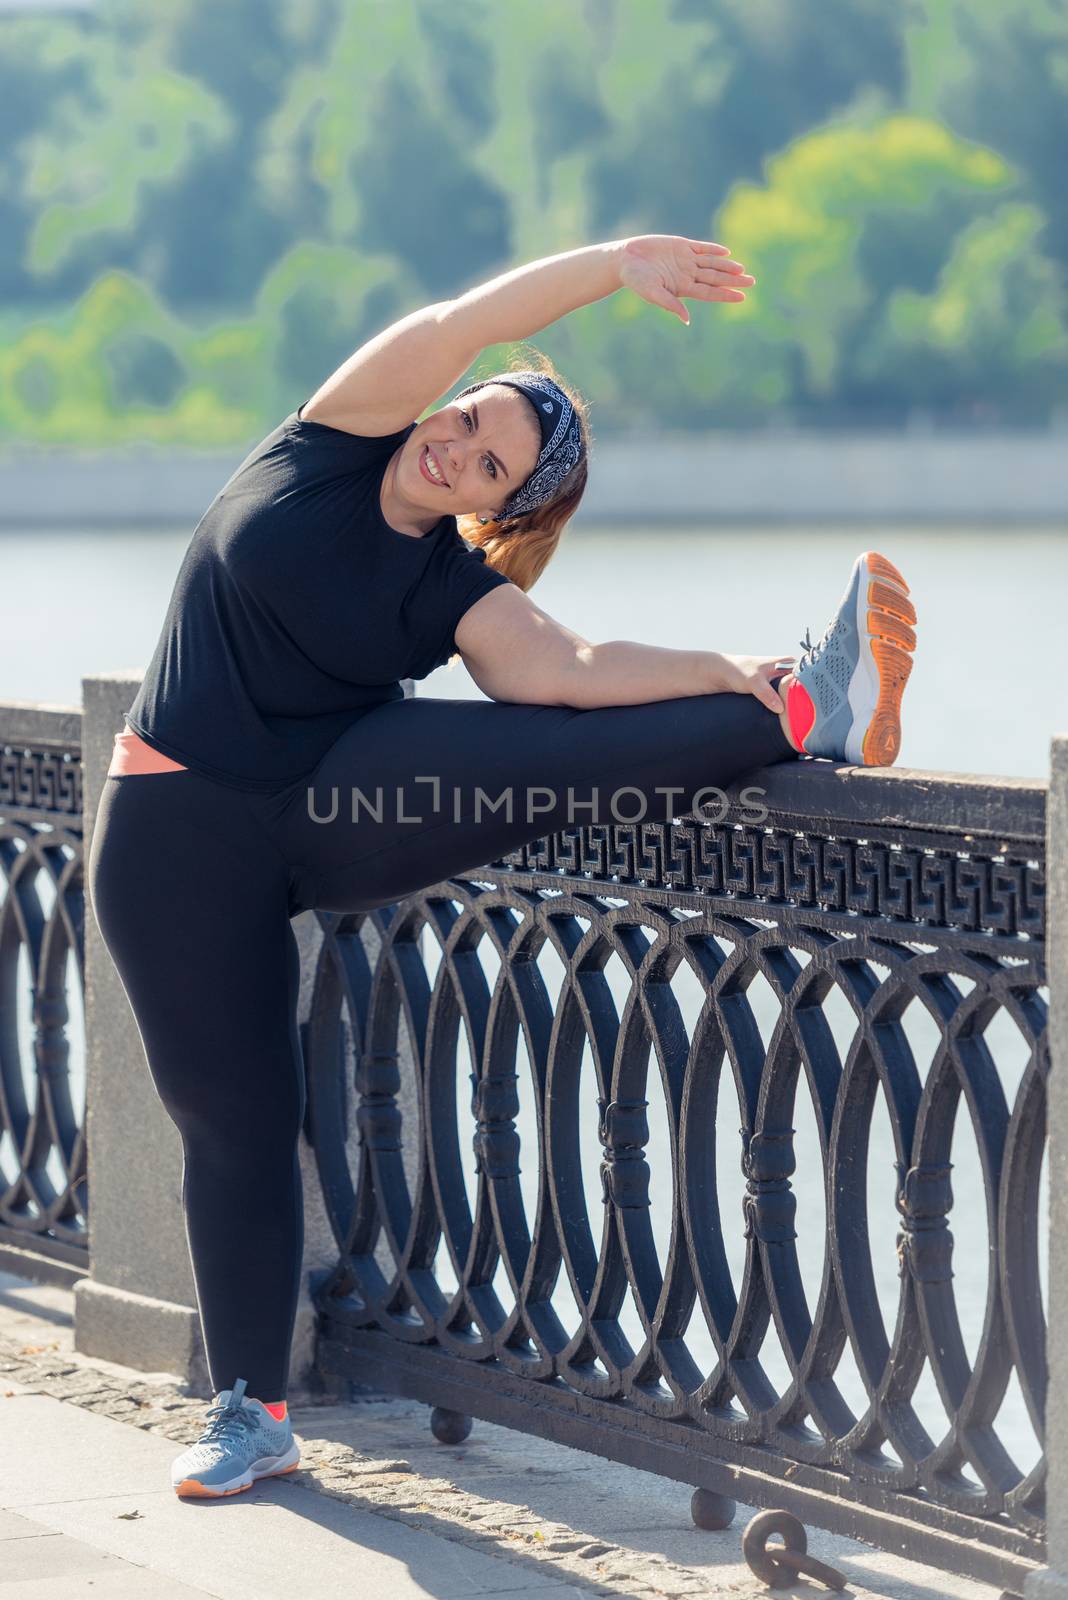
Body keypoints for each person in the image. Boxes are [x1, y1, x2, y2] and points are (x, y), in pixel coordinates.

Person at [86, 233, 917, 1500]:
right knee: (234, 1125)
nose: (458, 449)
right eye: (471, 418)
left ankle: (807, 706)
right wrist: (618, 264)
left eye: (490, 466)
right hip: (171, 836)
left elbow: (572, 673)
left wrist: (721, 667)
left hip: (322, 804)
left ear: (503, 503)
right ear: (446, 398)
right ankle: (251, 1412)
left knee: (550, 744)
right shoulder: (334, 435)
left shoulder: (451, 588)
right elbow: (471, 312)